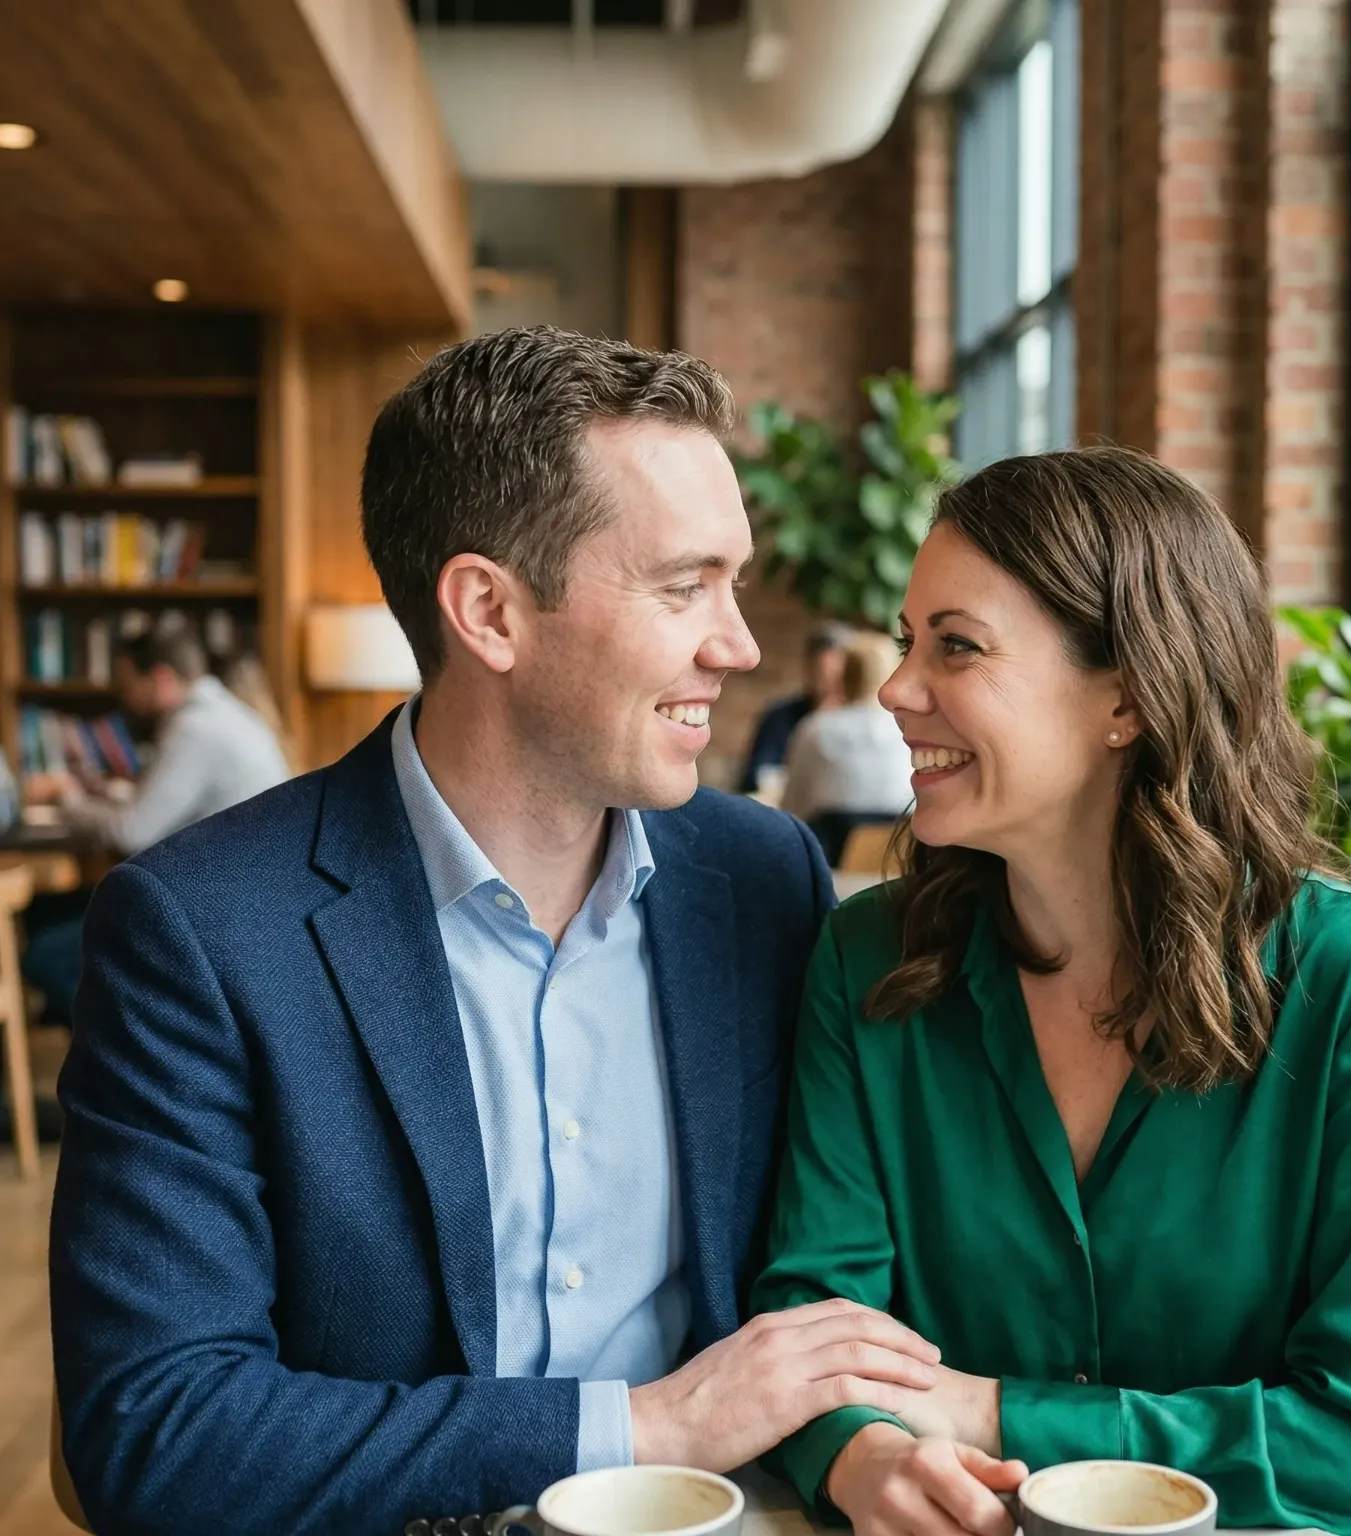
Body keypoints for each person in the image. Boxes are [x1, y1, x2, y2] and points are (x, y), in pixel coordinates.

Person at [51, 327, 941, 1536]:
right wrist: (648, 1426)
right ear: (490, 611)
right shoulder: (201, 932)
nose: (737, 644)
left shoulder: (762, 877)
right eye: (685, 586)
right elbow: (156, 1434)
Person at [752, 447, 1351, 1536]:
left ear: (1125, 697)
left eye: (957, 647)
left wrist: (986, 1411)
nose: (894, 689)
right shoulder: (868, 961)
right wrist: (865, 1458)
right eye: (908, 643)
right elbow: (816, 1323)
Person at [21, 629, 291, 1023]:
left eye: (131, 683)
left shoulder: (195, 728)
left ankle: (122, 1052)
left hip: (212, 922)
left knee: (41, 957)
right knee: (45, 912)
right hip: (243, 908)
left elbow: (132, 831)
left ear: (162, 680)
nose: (126, 696)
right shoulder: (226, 714)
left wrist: (69, 801)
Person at [780, 631, 913, 863]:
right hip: (901, 863)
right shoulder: (908, 731)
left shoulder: (816, 729)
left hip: (830, 866)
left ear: (843, 677)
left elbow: (791, 811)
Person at [737, 621, 853, 795]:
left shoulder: (860, 723)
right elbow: (756, 775)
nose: (829, 685)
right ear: (808, 671)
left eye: (836, 676)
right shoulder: (780, 717)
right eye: (822, 674)